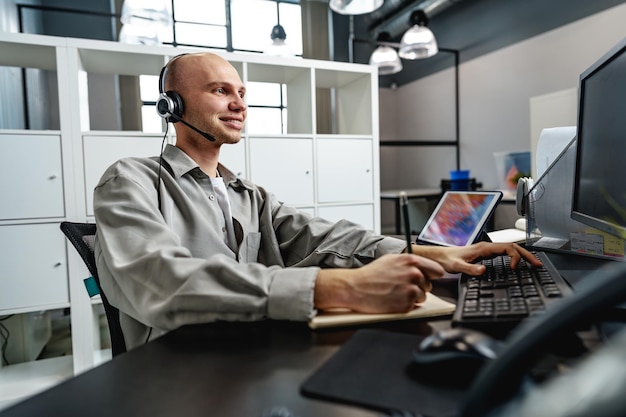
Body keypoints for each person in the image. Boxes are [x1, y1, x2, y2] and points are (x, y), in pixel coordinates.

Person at [93, 52, 541, 350]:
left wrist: (429, 253)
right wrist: (337, 287)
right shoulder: (131, 179)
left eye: (242, 93)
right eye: (219, 91)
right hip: (175, 371)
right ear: (171, 105)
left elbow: (327, 238)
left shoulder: (247, 195)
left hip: (251, 352)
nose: (238, 104)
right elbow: (161, 279)